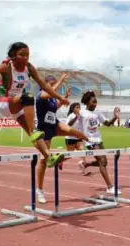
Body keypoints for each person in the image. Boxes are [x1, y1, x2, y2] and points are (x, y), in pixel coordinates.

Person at [0, 42, 69, 168]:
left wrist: (60, 97)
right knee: (28, 98)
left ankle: (48, 157)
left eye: (28, 55)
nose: (26, 58)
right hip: (4, 103)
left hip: (19, 105)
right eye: (22, 55)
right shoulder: (6, 67)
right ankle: (33, 130)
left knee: (33, 135)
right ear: (13, 55)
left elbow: (44, 85)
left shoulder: (30, 68)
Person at [35, 75, 94, 204]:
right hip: (44, 130)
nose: (53, 87)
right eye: (51, 84)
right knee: (44, 160)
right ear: (45, 85)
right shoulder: (40, 95)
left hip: (54, 125)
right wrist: (60, 81)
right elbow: (49, 92)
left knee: (76, 133)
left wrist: (65, 97)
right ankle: (39, 190)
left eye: (54, 84)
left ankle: (89, 140)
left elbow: (55, 106)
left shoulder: (50, 99)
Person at [77, 91, 122, 195]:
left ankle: (86, 164)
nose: (95, 104)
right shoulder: (82, 113)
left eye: (96, 102)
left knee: (104, 162)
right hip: (90, 141)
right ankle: (110, 187)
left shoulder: (98, 113)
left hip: (99, 139)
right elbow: (72, 123)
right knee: (102, 162)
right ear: (88, 102)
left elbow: (107, 124)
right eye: (93, 102)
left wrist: (115, 117)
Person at [65, 102, 90, 176]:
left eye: (79, 107)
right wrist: (76, 117)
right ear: (73, 109)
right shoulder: (71, 116)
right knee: (69, 155)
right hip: (70, 138)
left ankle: (83, 170)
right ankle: (60, 162)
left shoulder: (81, 115)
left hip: (78, 137)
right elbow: (68, 125)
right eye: (77, 107)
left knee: (82, 151)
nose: (79, 109)